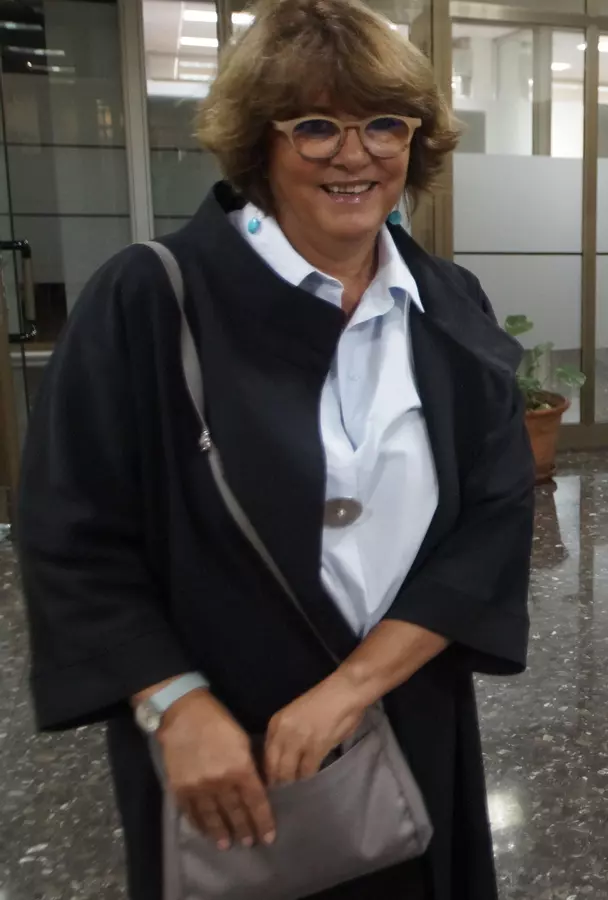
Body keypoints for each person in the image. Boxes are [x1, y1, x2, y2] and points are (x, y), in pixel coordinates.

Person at [17, 0, 533, 896]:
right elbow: (72, 535)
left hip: (404, 714)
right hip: (225, 742)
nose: (354, 154)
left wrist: (354, 687)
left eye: (384, 123)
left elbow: (492, 519)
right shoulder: (152, 298)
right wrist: (174, 704)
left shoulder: (448, 303)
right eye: (316, 126)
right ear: (260, 142)